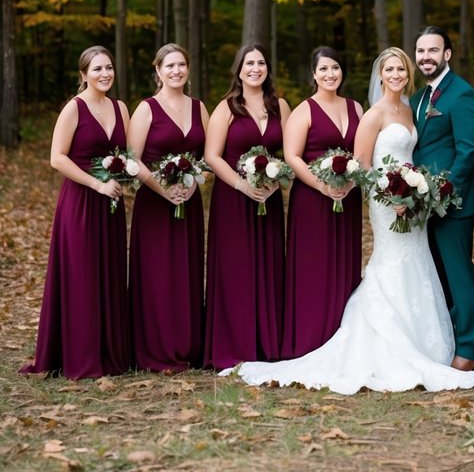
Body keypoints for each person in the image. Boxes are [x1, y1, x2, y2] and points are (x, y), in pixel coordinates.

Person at [224, 47, 474, 393]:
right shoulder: (373, 113)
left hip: (414, 202)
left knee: (419, 262)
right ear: (379, 74)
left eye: (400, 69)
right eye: (388, 69)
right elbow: (364, 162)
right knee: (393, 262)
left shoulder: (410, 109)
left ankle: (425, 343)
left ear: (407, 74)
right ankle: (387, 343)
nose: (395, 75)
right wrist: (391, 196)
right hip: (388, 203)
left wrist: (414, 192)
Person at [20, 46, 130, 379]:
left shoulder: (120, 107)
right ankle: (80, 356)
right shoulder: (74, 108)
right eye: (97, 69)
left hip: (111, 202)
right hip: (81, 202)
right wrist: (97, 185)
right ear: (83, 74)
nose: (104, 74)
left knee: (108, 272)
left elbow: (125, 153)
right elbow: (57, 158)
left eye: (109, 67)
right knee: (82, 275)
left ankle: (109, 353)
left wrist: (122, 176)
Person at [203, 43, 291, 370]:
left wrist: (275, 179)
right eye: (249, 63)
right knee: (236, 269)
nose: (255, 68)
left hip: (268, 197)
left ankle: (267, 342)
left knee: (268, 265)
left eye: (261, 62)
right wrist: (242, 184)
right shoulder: (226, 107)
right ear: (239, 69)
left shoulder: (280, 105)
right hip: (233, 199)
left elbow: (291, 150)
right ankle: (234, 344)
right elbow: (212, 156)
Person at [128, 43, 209, 371]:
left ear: (187, 70)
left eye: (181, 65)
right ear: (158, 70)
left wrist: (192, 182)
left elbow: (207, 154)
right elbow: (131, 159)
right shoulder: (146, 109)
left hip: (189, 201)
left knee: (186, 271)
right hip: (154, 204)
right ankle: (156, 347)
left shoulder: (199, 108)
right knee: (158, 274)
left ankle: (187, 344)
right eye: (169, 66)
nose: (176, 71)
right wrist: (163, 188)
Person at [411, 25, 474, 371]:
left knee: (458, 273)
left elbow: (468, 152)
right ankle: (448, 338)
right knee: (435, 275)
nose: (426, 57)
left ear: (447, 55)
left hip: (452, 202)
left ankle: (468, 347)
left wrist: (440, 193)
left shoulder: (462, 95)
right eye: (421, 51)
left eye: (433, 51)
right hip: (421, 204)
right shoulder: (418, 98)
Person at [281, 46, 363, 357]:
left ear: (343, 72)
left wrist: (352, 181)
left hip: (348, 199)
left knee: (344, 264)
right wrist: (322, 186)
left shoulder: (355, 108)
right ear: (314, 74)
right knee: (314, 268)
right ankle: (311, 338)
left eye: (336, 68)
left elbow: (362, 153)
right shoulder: (304, 110)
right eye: (324, 69)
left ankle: (343, 337)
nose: (330, 74)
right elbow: (292, 156)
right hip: (313, 200)